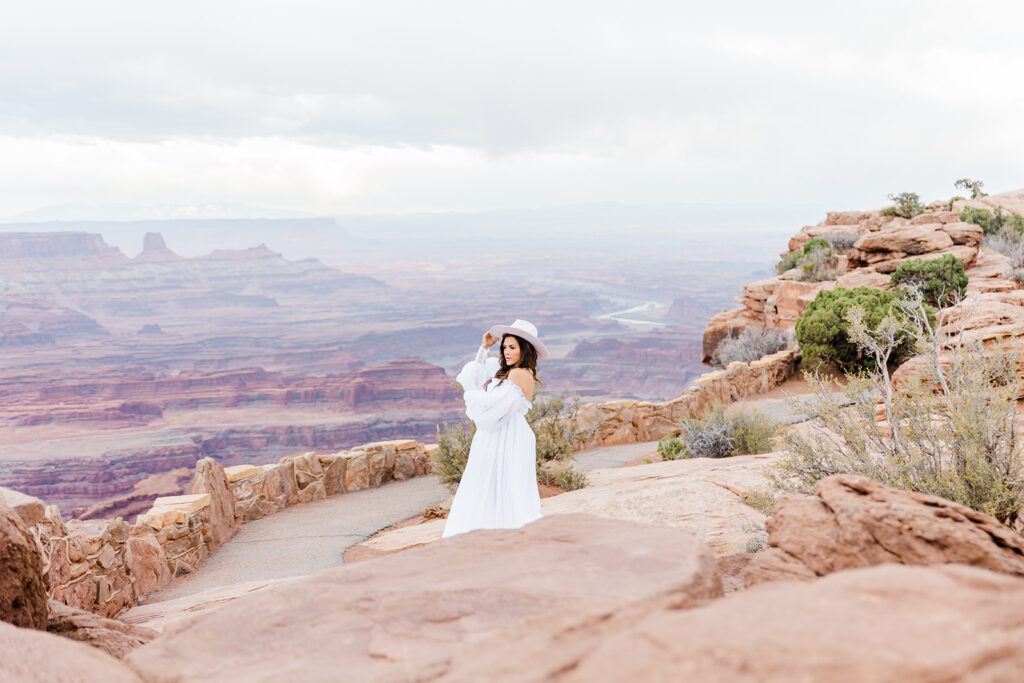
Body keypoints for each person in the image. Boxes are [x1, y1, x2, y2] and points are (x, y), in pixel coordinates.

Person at [441, 319, 548, 538]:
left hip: (505, 434)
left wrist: (474, 399)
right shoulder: (515, 372)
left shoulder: (519, 374)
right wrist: (483, 348)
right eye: (505, 347)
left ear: (524, 349)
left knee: (499, 482)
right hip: (501, 433)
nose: (507, 352)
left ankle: (500, 535)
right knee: (497, 484)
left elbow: (492, 409)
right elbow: (476, 377)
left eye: (512, 347)